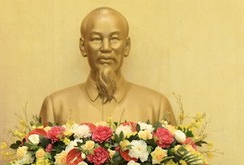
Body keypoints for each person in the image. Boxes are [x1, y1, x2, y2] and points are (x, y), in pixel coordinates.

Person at [39, 7, 175, 125]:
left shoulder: (157, 106)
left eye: (114, 39)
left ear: (126, 46)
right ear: (83, 47)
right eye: (96, 39)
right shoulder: (56, 106)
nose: (106, 48)